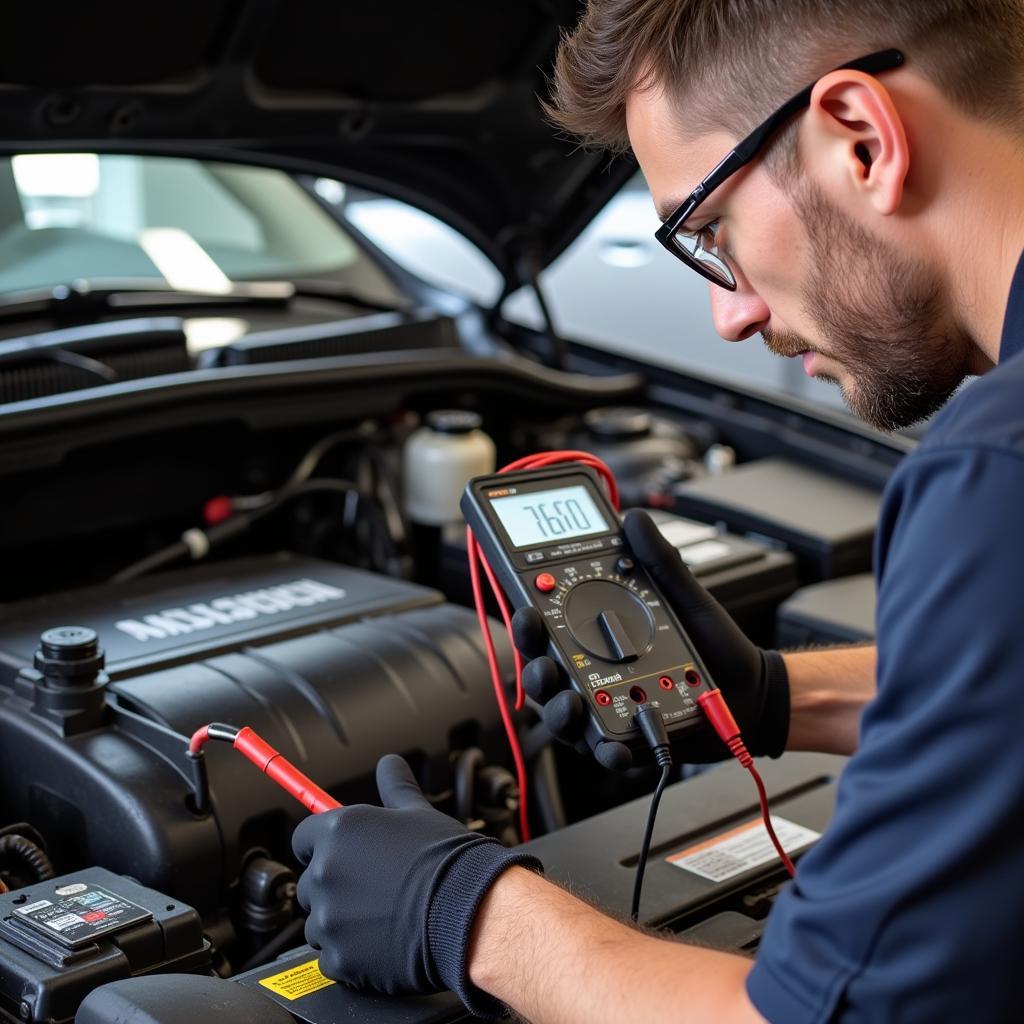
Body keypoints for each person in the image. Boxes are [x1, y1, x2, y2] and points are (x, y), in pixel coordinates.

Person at [292, 1, 1024, 1020]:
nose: (731, 315)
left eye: (708, 228)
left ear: (861, 136)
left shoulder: (995, 472)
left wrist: (465, 910)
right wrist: (769, 696)